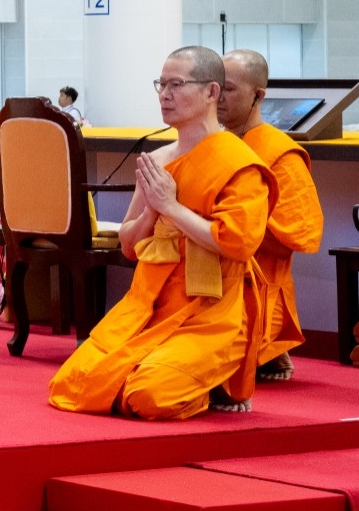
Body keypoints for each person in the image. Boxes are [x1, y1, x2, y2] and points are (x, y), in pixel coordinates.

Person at [48, 47, 272, 420]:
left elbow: (238, 243)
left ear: (211, 92)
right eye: (161, 84)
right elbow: (129, 245)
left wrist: (171, 207)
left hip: (208, 311)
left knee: (149, 396)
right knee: (73, 384)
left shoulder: (239, 162)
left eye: (177, 84)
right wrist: (152, 209)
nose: (164, 95)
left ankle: (208, 376)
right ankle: (174, 373)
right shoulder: (159, 160)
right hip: (148, 305)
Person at [220, 49, 322, 383]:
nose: (217, 95)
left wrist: (234, 225)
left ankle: (271, 349)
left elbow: (301, 229)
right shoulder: (212, 141)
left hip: (254, 271)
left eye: (229, 88)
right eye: (214, 86)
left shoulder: (279, 151)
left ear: (258, 95)